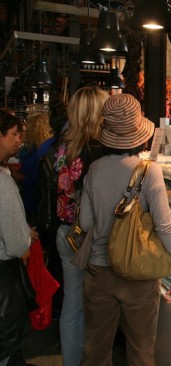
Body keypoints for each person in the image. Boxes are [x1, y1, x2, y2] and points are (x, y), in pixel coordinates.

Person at [79, 93, 171, 366]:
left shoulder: (93, 169)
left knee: (96, 350)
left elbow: (86, 223)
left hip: (98, 272)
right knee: (140, 352)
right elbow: (164, 226)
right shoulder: (149, 171)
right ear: (139, 133)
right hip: (138, 275)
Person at [55, 86, 109, 366]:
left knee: (72, 304)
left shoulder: (64, 145)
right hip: (88, 238)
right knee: (95, 310)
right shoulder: (96, 151)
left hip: (64, 233)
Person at [0, 111, 37, 366]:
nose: (19, 140)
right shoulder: (3, 185)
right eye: (13, 133)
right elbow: (16, 244)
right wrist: (27, 234)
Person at [19, 112, 55, 225]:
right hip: (39, 203)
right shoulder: (48, 150)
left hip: (33, 203)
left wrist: (17, 176)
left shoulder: (37, 154)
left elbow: (35, 180)